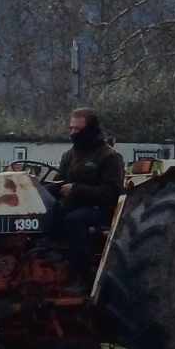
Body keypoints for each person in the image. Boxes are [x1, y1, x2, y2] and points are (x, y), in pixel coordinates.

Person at [50, 108, 124, 271]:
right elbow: (58, 182)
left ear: (90, 130)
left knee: (75, 220)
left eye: (77, 129)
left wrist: (76, 189)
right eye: (71, 128)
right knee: (49, 211)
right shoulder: (69, 155)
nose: (73, 133)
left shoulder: (109, 156)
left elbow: (112, 193)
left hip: (100, 209)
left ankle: (79, 273)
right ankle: (48, 259)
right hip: (72, 204)